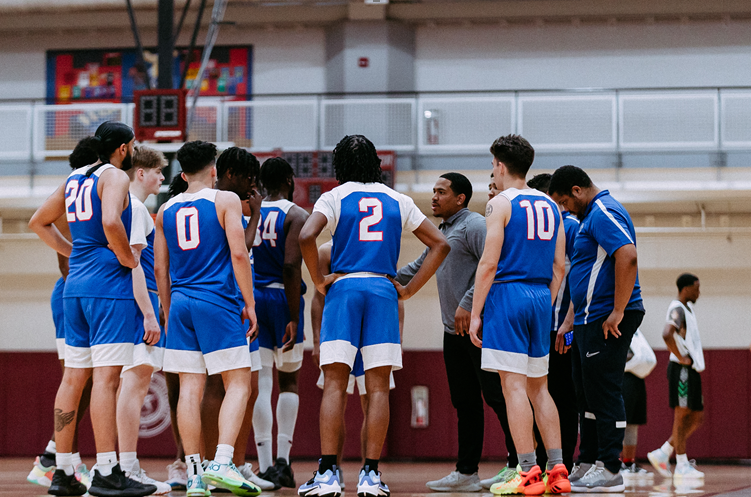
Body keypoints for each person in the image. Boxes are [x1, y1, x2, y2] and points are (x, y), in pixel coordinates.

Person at [297, 134, 450, 497]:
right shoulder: (398, 199)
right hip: (383, 291)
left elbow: (307, 235)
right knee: (378, 388)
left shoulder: (335, 196)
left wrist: (319, 280)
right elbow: (441, 244)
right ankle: (371, 475)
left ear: (340, 166)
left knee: (334, 385)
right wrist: (409, 289)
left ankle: (328, 474)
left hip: (345, 289)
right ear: (375, 164)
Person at [29, 121, 156, 497]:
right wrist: (125, 259)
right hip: (107, 287)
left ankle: (65, 470)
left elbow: (39, 222)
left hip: (75, 287)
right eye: (132, 145)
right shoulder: (113, 175)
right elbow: (110, 220)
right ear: (121, 148)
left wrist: (76, 253)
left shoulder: (74, 179)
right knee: (106, 380)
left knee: (73, 378)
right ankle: (106, 471)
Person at [394, 173, 517, 492]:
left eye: (441, 192)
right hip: (452, 332)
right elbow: (420, 266)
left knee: (497, 398)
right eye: (433, 191)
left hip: (479, 329)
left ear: (460, 198)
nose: (434, 197)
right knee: (465, 402)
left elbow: (494, 264)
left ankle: (519, 464)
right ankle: (467, 472)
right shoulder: (443, 231)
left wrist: (467, 303)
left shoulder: (474, 224)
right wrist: (379, 278)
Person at [155, 141, 260, 497]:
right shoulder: (225, 200)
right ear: (214, 169)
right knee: (239, 383)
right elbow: (239, 253)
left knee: (189, 388)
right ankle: (223, 462)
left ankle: (195, 473)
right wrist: (250, 303)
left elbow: (159, 267)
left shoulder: (165, 208)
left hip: (180, 302)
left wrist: (168, 310)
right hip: (216, 299)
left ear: (182, 174)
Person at [469, 135, 569, 496]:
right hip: (542, 296)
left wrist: (477, 312)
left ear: (499, 164)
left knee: (513, 387)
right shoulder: (551, 205)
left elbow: (489, 263)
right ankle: (558, 469)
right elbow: (560, 265)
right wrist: (545, 301)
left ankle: (527, 471)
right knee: (539, 388)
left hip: (508, 295)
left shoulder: (501, 204)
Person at [548, 165, 645, 493]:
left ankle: (611, 467)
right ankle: (588, 461)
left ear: (576, 190)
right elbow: (583, 275)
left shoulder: (602, 211)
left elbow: (628, 256)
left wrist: (618, 310)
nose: (564, 209)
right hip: (584, 321)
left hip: (608, 318)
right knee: (584, 391)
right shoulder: (588, 218)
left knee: (604, 390)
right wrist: (568, 321)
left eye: (564, 201)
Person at [194, 147, 272, 491]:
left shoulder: (217, 205)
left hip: (225, 303)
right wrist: (255, 214)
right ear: (227, 175)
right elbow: (245, 247)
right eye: (247, 176)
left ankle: (233, 464)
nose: (252, 184)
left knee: (245, 387)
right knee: (220, 386)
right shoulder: (223, 205)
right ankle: (216, 463)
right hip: (225, 303)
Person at [27, 138, 98, 490]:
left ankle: (55, 456)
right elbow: (40, 224)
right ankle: (56, 460)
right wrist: (75, 256)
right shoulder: (75, 192)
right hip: (75, 291)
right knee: (78, 379)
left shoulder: (84, 191)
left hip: (80, 290)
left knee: (85, 381)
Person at [311, 240, 401, 491]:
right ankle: (334, 468)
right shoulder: (327, 250)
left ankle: (367, 469)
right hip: (343, 324)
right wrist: (317, 340)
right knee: (337, 397)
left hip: (368, 322)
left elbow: (395, 292)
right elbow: (318, 299)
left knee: (369, 400)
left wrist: (398, 336)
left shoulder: (377, 247)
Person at [115, 146, 172, 494]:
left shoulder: (127, 206)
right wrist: (150, 313)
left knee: (130, 384)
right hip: (140, 304)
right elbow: (135, 264)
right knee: (135, 384)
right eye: (157, 171)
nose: (162, 178)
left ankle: (122, 465)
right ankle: (126, 467)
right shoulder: (135, 207)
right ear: (140, 173)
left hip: (133, 303)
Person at [250, 157, 309, 489]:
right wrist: (292, 314)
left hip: (253, 299)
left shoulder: (250, 214)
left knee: (260, 383)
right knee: (288, 381)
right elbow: (290, 266)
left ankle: (264, 465)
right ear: (289, 179)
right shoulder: (296, 215)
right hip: (282, 298)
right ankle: (284, 462)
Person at [526, 173, 579, 472]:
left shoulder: (570, 226)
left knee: (562, 394)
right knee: (536, 393)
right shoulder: (540, 229)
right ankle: (543, 462)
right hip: (537, 325)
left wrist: (568, 321)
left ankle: (565, 462)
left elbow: (578, 276)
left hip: (562, 330)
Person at [647, 274, 705, 480]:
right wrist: (681, 356)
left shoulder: (688, 309)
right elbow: (666, 333)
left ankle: (663, 452)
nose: (699, 292)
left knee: (697, 416)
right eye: (696, 288)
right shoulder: (677, 308)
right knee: (681, 416)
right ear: (685, 288)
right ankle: (681, 464)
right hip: (682, 370)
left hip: (692, 370)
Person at [621, 329, 656, 481]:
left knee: (633, 423)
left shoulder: (635, 329)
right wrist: (636, 358)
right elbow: (619, 355)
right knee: (621, 423)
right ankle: (615, 463)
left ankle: (629, 463)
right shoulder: (613, 324)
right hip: (623, 379)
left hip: (637, 378)